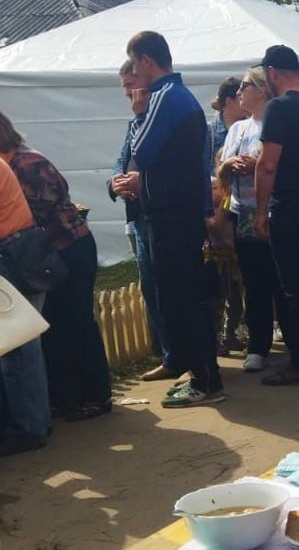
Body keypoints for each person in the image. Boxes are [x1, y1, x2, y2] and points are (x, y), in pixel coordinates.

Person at [124, 31, 221, 408]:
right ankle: (202, 374)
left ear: (148, 61)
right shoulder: (182, 97)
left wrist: (137, 116)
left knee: (181, 298)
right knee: (188, 296)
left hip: (171, 216)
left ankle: (204, 379)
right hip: (182, 212)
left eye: (135, 65)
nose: (134, 75)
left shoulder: (163, 98)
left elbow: (141, 151)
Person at [254, 44, 299, 386]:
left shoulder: (278, 109)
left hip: (288, 205)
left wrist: (260, 210)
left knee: (294, 288)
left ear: (272, 72)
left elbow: (268, 163)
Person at [217, 67, 289, 374]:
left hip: (273, 210)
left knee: (281, 280)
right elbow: (221, 164)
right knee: (254, 282)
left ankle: (293, 340)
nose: (238, 93)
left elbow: (279, 164)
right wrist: (233, 163)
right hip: (242, 211)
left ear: (262, 90)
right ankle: (258, 345)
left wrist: (257, 165)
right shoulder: (238, 129)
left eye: (245, 86)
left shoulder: (275, 124)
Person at [108, 59, 176, 382]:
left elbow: (160, 163)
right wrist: (115, 183)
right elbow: (120, 161)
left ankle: (183, 356)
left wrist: (140, 180)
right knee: (151, 289)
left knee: (169, 289)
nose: (126, 94)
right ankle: (170, 354)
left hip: (161, 216)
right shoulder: (132, 124)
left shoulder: (162, 117)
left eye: (128, 85)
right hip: (137, 217)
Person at [0, 157, 50, 456]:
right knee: (22, 344)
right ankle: (36, 421)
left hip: (8, 254)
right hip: (17, 249)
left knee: (15, 347)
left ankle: (30, 427)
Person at [207, 77, 247, 355]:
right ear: (230, 101)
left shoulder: (249, 129)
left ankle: (232, 331)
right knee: (219, 286)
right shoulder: (209, 134)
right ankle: (220, 334)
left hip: (237, 215)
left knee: (238, 285)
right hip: (217, 212)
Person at [209, 77, 247, 161]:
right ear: (229, 101)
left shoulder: (252, 128)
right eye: (241, 98)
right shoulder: (209, 132)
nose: (246, 101)